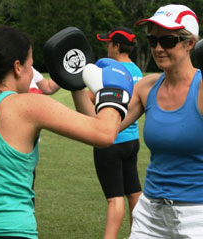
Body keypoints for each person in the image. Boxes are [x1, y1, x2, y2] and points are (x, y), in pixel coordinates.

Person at [0, 25, 133, 239]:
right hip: (11, 229)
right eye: (31, 66)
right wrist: (114, 91)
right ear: (17, 67)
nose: (31, 73)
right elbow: (104, 134)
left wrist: (75, 82)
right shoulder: (26, 105)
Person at [72, 3, 203, 239]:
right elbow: (100, 130)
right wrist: (75, 85)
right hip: (150, 214)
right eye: (153, 41)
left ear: (190, 43)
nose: (159, 48)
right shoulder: (146, 87)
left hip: (196, 216)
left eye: (168, 41)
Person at [88, 26, 143, 239]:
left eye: (108, 44)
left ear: (117, 45)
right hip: (132, 141)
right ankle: (137, 234)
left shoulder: (106, 72)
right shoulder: (137, 71)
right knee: (134, 192)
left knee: (114, 198)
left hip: (110, 140)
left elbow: (88, 102)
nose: (107, 48)